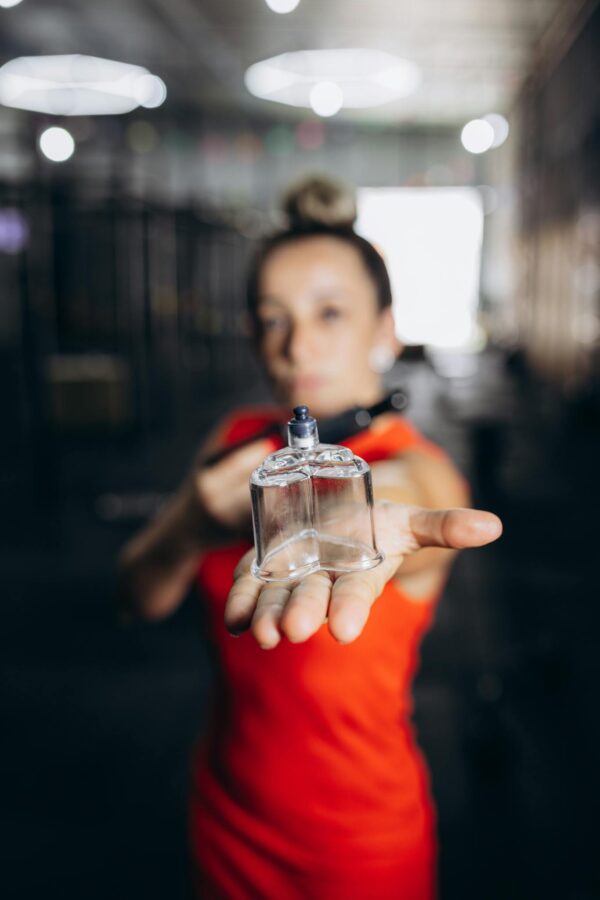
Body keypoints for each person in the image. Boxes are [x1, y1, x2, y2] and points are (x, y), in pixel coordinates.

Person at [118, 175, 502, 899]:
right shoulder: (236, 444)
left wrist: (358, 515)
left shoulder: (418, 470)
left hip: (355, 843)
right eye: (272, 319)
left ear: (386, 328)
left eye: (331, 313)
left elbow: (408, 500)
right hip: (225, 814)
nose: (296, 345)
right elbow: (134, 597)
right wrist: (190, 519)